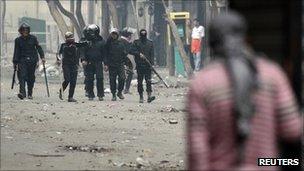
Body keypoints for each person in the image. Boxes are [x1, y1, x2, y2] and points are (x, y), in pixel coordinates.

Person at [187, 12, 302, 171]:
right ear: (247, 37)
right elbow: (293, 130)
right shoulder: (272, 75)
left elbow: (197, 151)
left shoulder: (202, 84)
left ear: (211, 43)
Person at [13, 23, 45, 100]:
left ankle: (30, 93)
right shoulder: (18, 40)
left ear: (28, 30)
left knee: (31, 78)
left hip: (32, 60)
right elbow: (16, 51)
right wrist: (15, 62)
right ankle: (22, 93)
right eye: (23, 30)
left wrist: (42, 57)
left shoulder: (33, 38)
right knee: (22, 76)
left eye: (26, 30)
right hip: (22, 60)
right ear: (21, 31)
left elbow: (39, 48)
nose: (25, 31)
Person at [57, 32, 86, 102]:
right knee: (67, 79)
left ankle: (70, 97)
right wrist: (58, 59)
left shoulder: (75, 44)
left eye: (71, 37)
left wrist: (88, 41)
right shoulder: (63, 45)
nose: (70, 39)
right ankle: (61, 90)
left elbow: (83, 44)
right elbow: (58, 54)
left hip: (74, 65)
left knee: (73, 81)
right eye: (69, 37)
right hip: (66, 65)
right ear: (66, 38)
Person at [81, 24, 107, 101]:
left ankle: (100, 94)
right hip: (88, 62)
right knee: (89, 79)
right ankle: (90, 94)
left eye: (92, 32)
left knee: (99, 78)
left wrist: (106, 64)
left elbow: (104, 53)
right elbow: (82, 51)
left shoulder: (101, 41)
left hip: (98, 62)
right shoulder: (85, 41)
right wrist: (83, 59)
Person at [130, 29, 155, 103]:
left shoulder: (150, 43)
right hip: (139, 65)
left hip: (148, 65)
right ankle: (141, 96)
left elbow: (152, 55)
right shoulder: (136, 42)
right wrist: (138, 54)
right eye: (142, 34)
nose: (143, 35)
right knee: (140, 82)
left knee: (148, 81)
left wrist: (152, 64)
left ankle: (149, 96)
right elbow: (131, 50)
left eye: (144, 34)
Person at [104, 28, 127, 101]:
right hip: (112, 64)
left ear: (117, 35)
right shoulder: (108, 44)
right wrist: (106, 64)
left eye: (115, 34)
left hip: (120, 64)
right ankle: (113, 94)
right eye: (112, 34)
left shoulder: (121, 43)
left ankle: (119, 92)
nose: (114, 35)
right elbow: (105, 55)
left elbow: (124, 54)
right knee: (112, 80)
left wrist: (126, 63)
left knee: (122, 78)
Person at [120, 27, 135, 94]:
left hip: (123, 60)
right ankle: (125, 89)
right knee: (128, 74)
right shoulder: (124, 42)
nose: (131, 36)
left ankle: (124, 88)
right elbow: (129, 51)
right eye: (130, 35)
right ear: (128, 35)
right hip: (124, 61)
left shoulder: (121, 40)